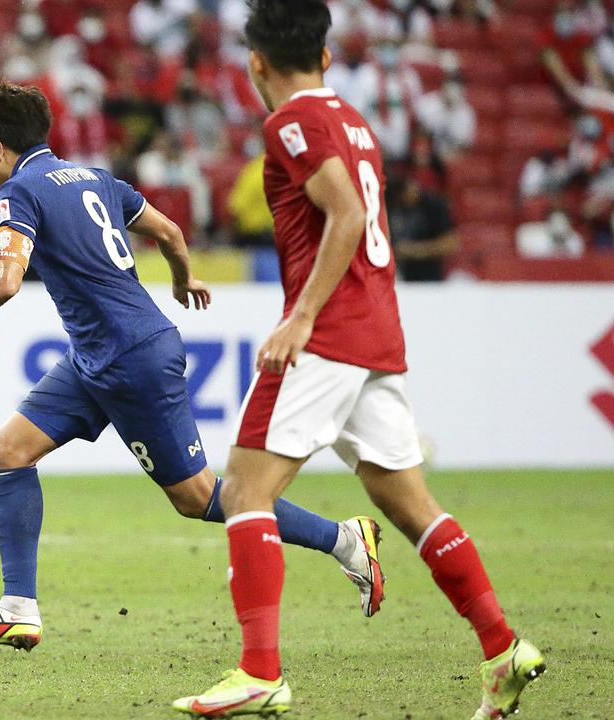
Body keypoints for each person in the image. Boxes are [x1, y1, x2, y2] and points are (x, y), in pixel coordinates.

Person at [0, 80, 386, 653]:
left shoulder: (16, 190)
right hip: (97, 357)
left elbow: (4, 280)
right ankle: (19, 607)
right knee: (7, 451)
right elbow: (170, 231)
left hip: (131, 357)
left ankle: (344, 540)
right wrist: (184, 279)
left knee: (200, 496)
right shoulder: (94, 178)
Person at [174, 3, 544, 717]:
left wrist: (303, 316)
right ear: (326, 56)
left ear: (256, 62)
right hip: (378, 332)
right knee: (407, 502)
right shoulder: (353, 120)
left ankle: (259, 671)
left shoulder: (289, 123)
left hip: (330, 334)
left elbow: (344, 214)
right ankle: (502, 648)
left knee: (246, 492)